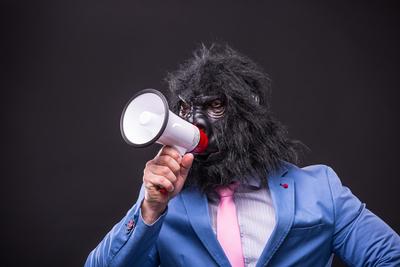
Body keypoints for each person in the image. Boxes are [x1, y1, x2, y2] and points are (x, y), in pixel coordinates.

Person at [85, 44, 400, 266]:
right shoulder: (161, 202)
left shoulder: (320, 189)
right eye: (184, 109)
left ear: (252, 112)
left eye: (215, 106)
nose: (193, 120)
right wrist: (149, 211)